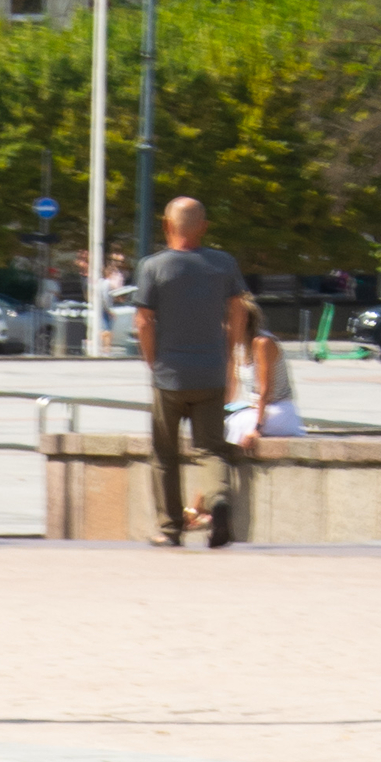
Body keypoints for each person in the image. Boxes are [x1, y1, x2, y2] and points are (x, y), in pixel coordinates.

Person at [135, 196, 252, 548]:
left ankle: (170, 528)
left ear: (166, 226)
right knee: (212, 449)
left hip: (169, 376)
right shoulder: (223, 263)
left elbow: (143, 321)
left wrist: (153, 360)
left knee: (164, 454)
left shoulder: (153, 266)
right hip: (210, 375)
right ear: (204, 226)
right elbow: (239, 309)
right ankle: (219, 505)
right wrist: (227, 351)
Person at [224, 322, 302, 446]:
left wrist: (257, 428)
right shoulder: (239, 347)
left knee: (237, 424)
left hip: (277, 410)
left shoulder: (263, 343)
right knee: (219, 423)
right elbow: (232, 385)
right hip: (255, 408)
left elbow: (265, 390)